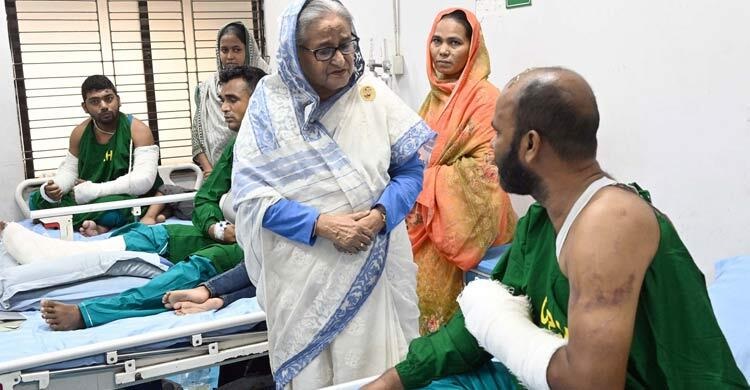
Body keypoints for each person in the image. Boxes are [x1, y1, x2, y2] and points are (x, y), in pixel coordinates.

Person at [365, 67, 748, 389]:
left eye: (497, 132)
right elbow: (477, 324)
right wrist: (394, 379)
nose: (491, 146)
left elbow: (590, 385)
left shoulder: (611, 225)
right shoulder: (541, 222)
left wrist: (499, 325)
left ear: (530, 145)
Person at [230, 0, 435, 387]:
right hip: (303, 274)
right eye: (325, 50)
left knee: (379, 372)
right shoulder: (268, 108)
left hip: (373, 265)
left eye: (348, 44)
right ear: (295, 54)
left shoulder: (373, 95)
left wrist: (378, 217)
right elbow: (250, 197)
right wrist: (322, 225)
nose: (341, 59)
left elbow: (411, 171)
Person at [18, 66, 266, 331]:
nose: (223, 108)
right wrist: (215, 227)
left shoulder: (278, 150)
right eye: (222, 100)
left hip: (252, 244)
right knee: (149, 235)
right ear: (84, 106)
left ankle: (89, 314)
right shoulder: (237, 145)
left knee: (188, 272)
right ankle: (64, 252)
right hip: (227, 233)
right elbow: (204, 199)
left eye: (232, 100)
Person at [408, 8, 516, 334]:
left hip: (466, 231)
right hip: (424, 229)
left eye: (454, 42)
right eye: (437, 41)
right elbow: (418, 155)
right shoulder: (433, 99)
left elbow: (489, 172)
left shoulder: (486, 100)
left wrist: (422, 181)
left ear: (472, 49)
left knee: (461, 331)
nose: (442, 50)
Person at [28, 75, 164, 236]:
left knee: (117, 206)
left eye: (109, 98)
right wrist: (55, 189)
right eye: (95, 101)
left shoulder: (138, 129)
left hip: (123, 197)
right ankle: (99, 222)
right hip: (86, 197)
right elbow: (70, 172)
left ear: (118, 100)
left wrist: (94, 190)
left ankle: (61, 219)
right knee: (36, 200)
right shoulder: (79, 133)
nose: (104, 105)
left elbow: (143, 181)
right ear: (85, 107)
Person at [192, 21, 268, 179]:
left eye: (237, 50)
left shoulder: (266, 84)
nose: (229, 57)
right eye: (224, 50)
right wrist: (211, 172)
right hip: (215, 174)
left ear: (249, 50)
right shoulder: (207, 88)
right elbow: (197, 136)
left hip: (258, 171)